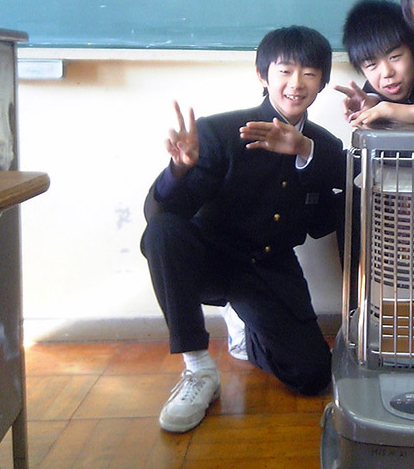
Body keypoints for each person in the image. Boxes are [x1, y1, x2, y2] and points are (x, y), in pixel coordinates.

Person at [140, 26, 344, 433]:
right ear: (262, 75)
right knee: (162, 232)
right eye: (285, 70)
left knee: (312, 376)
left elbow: (325, 218)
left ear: (322, 81)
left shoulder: (323, 146)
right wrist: (179, 168)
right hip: (211, 259)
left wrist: (305, 154)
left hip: (269, 267)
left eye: (309, 73)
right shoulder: (218, 132)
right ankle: (198, 370)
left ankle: (244, 333)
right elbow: (162, 215)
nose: (295, 83)